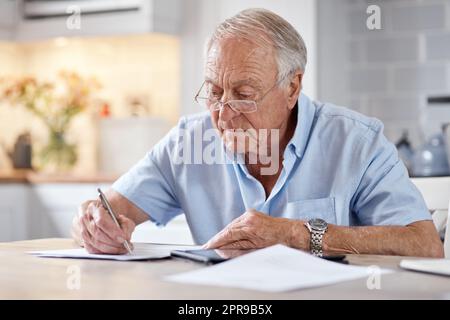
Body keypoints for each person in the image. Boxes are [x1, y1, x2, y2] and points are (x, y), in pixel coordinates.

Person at [71, 8, 443, 258]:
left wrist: (298, 235)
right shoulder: (189, 142)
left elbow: (426, 245)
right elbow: (109, 210)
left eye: (244, 96)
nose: (223, 113)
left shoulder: (357, 143)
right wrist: (95, 223)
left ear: (292, 88)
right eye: (214, 92)